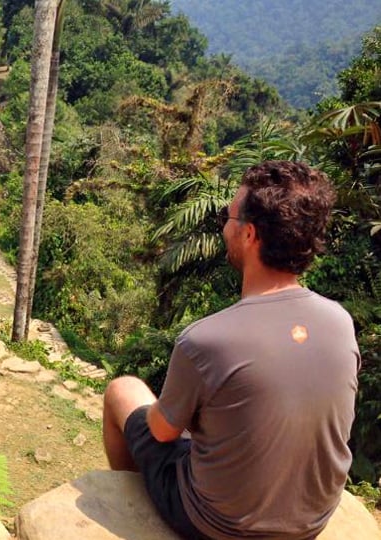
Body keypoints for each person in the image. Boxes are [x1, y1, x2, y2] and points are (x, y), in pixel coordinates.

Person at [102, 161, 360, 539]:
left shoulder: (206, 339)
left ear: (250, 234)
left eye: (230, 216)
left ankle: (126, 504)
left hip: (216, 525)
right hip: (311, 524)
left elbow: (160, 432)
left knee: (122, 391)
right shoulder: (340, 323)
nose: (225, 226)